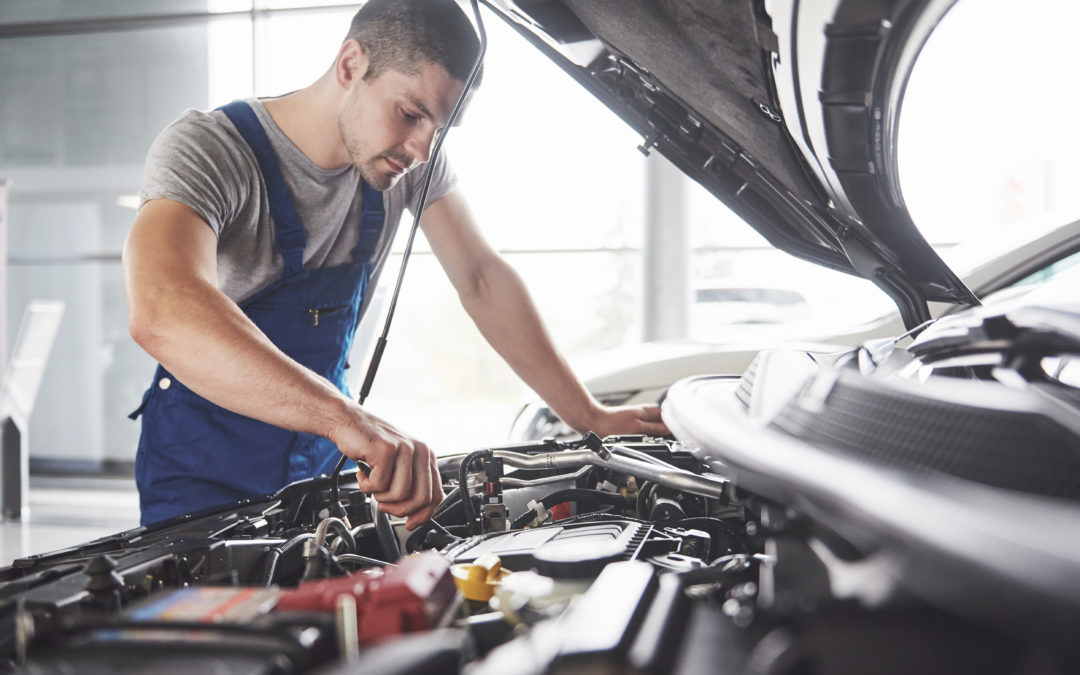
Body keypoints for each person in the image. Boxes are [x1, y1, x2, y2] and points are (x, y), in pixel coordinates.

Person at [123, 0, 668, 529]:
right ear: (350, 64)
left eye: (440, 129)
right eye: (410, 114)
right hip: (200, 472)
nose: (422, 151)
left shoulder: (404, 163)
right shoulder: (211, 150)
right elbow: (162, 307)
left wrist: (590, 417)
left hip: (315, 466)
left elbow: (481, 278)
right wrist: (347, 419)